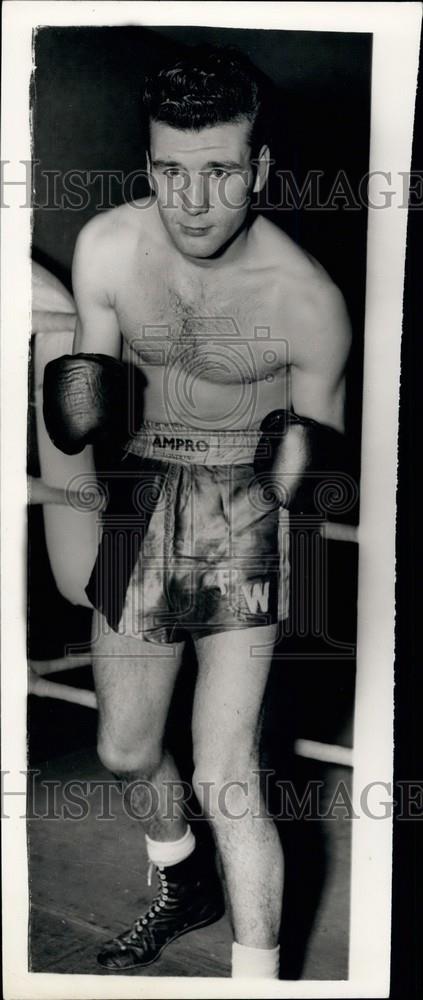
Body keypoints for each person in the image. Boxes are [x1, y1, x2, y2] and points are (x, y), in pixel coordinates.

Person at [43, 45, 351, 978]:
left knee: (228, 775)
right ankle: (183, 880)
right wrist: (80, 512)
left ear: (257, 167)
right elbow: (82, 423)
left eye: (219, 170)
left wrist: (287, 577)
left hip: (247, 518)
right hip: (139, 502)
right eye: (171, 171)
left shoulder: (307, 302)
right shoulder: (105, 247)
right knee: (127, 751)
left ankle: (259, 984)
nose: (193, 199)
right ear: (147, 166)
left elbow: (313, 477)